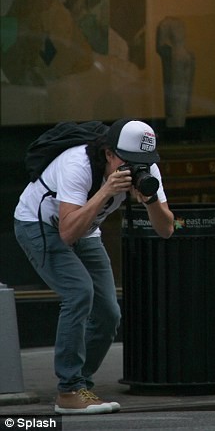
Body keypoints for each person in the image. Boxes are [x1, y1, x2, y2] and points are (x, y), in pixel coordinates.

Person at [14, 119, 174, 415]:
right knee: (79, 293)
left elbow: (166, 229)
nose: (137, 169)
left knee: (108, 312)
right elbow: (67, 232)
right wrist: (105, 192)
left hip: (85, 229)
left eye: (145, 162)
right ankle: (69, 390)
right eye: (129, 162)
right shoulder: (77, 164)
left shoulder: (145, 168)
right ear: (109, 153)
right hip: (39, 224)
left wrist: (150, 200)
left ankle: (80, 386)